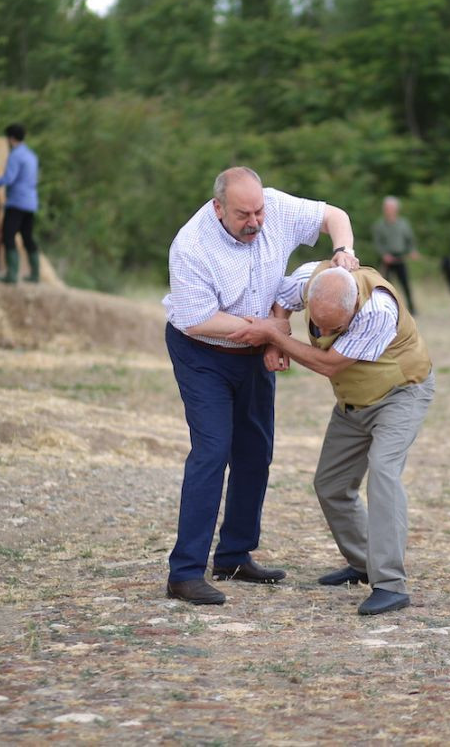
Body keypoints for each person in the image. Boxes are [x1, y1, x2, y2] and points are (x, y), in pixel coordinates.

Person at [163, 166, 358, 606]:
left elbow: (335, 215)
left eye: (258, 212)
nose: (254, 222)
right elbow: (198, 318)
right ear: (218, 209)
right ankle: (185, 572)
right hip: (202, 352)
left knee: (255, 452)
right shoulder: (191, 245)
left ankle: (234, 554)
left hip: (254, 352)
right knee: (212, 451)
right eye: (242, 215)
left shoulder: (276, 208)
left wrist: (343, 250)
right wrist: (271, 329)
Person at [228, 261, 434, 616]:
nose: (322, 330)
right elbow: (282, 297)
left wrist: (275, 338)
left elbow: (328, 364)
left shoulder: (377, 310)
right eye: (317, 323)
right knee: (331, 485)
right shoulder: (311, 279)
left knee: (383, 472)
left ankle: (389, 583)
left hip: (401, 393)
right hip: (353, 402)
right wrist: (279, 327)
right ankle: (363, 563)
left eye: (333, 326)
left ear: (353, 307)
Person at [0, 123, 39, 284]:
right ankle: (35, 275)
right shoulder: (31, 155)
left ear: (11, 139)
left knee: (8, 235)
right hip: (31, 201)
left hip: (17, 201)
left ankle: (11, 275)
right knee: (27, 236)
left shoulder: (15, 156)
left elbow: (8, 179)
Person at [371, 196, 419, 313]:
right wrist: (384, 254)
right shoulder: (379, 225)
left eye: (391, 208)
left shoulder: (403, 224)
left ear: (396, 209)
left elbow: (410, 240)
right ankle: (386, 308)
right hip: (386, 259)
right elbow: (377, 243)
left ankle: (412, 308)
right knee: (385, 285)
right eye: (387, 208)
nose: (389, 210)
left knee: (405, 283)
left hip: (401, 258)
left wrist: (412, 251)